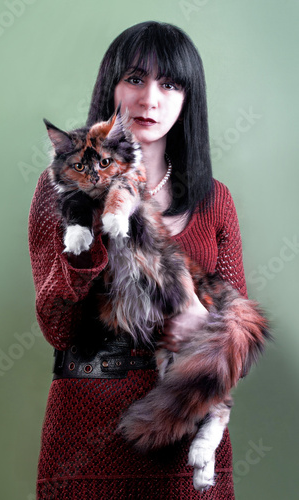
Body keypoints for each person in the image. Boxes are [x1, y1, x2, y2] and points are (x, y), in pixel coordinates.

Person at [29, 21, 247, 499]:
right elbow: (56, 326)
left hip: (187, 437)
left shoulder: (216, 200)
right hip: (86, 433)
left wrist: (199, 322)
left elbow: (240, 337)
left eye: (170, 84)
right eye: (135, 79)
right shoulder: (60, 191)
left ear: (189, 98)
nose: (150, 99)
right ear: (112, 88)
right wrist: (94, 231)